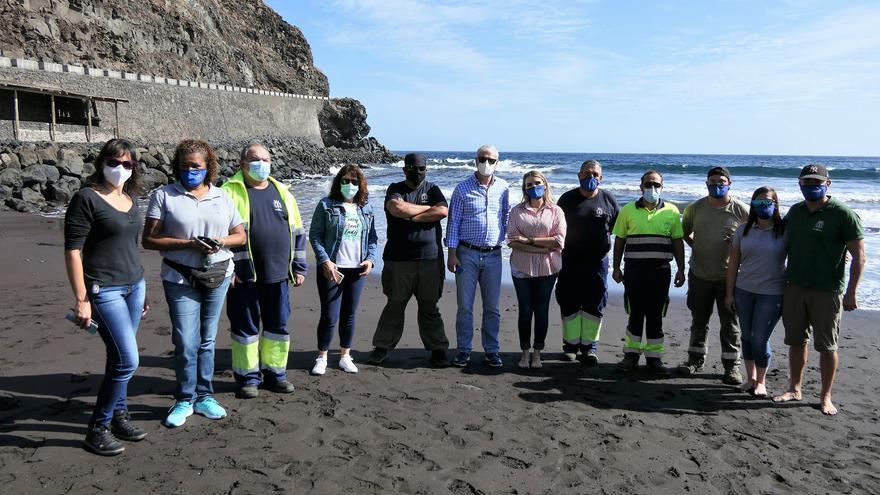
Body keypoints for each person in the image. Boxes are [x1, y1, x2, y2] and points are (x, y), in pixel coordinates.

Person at [142, 139, 246, 428]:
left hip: (219, 274)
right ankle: (184, 398)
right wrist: (188, 244)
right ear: (177, 166)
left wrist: (220, 241)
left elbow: (240, 235)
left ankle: (204, 395)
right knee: (186, 340)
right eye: (185, 166)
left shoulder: (223, 197)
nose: (191, 170)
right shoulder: (164, 195)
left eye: (196, 166)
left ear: (208, 167)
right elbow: (149, 240)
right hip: (179, 276)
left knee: (208, 339)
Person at [64, 139, 147, 455]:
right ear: (102, 162)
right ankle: (97, 428)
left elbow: (130, 248)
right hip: (103, 290)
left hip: (134, 286)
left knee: (118, 359)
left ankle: (119, 416)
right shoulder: (86, 199)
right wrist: (82, 298)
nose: (121, 168)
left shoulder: (130, 199)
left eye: (128, 164)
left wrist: (143, 290)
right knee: (128, 359)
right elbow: (73, 250)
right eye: (115, 161)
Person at [773, 164, 865, 415]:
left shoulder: (843, 214)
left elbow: (859, 256)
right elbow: (775, 236)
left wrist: (852, 292)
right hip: (794, 286)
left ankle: (826, 396)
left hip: (827, 290)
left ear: (828, 184)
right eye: (806, 182)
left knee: (827, 346)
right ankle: (794, 388)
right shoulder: (796, 211)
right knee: (796, 341)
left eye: (816, 182)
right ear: (799, 184)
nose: (811, 187)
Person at [221, 143, 307, 399]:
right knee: (245, 328)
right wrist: (228, 268)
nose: (262, 164)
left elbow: (297, 233)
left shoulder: (282, 191)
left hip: (279, 274)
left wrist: (299, 267)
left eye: (266, 159)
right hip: (243, 275)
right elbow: (219, 236)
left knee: (277, 327)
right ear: (242, 163)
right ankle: (248, 378)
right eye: (255, 159)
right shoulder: (228, 192)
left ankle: (275, 374)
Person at [366, 153, 450, 367]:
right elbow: (397, 208)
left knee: (430, 307)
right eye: (412, 167)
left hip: (430, 260)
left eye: (421, 168)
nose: (417, 171)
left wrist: (411, 216)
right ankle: (382, 347)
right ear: (404, 169)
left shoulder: (432, 189)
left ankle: (438, 349)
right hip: (398, 260)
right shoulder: (395, 188)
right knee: (395, 305)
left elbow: (442, 211)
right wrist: (425, 210)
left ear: (426, 169)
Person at [677, 167, 749, 384]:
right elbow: (684, 233)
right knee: (699, 321)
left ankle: (731, 367)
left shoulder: (742, 210)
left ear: (730, 183)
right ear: (706, 183)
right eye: (712, 181)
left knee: (731, 325)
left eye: (721, 181)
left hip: (729, 279)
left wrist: (738, 248)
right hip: (699, 274)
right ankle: (695, 361)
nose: (717, 185)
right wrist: (696, 246)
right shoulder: (695, 208)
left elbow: (754, 238)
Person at [611, 169, 685, 374]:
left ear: (662, 187)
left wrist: (681, 269)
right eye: (648, 184)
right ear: (641, 186)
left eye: (656, 185)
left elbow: (677, 241)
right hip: (634, 271)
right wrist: (616, 267)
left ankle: (654, 359)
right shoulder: (627, 210)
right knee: (635, 314)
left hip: (660, 272)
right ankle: (631, 357)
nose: (652, 188)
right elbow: (620, 240)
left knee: (655, 315)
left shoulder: (671, 211)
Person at [309, 164, 378, 375]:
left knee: (349, 314)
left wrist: (371, 259)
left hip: (357, 270)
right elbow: (315, 235)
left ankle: (345, 356)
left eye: (354, 182)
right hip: (333, 268)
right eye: (346, 181)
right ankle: (322, 357)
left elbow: (372, 238)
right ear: (339, 183)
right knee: (330, 315)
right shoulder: (326, 205)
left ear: (360, 185)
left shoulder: (366, 208)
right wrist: (325, 261)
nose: (350, 185)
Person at [445, 144, 510, 367]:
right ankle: (464, 349)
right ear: (475, 160)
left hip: (493, 256)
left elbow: (505, 217)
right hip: (466, 254)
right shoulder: (462, 189)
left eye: (491, 160)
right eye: (483, 159)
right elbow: (453, 223)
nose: (487, 163)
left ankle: (492, 350)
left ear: (497, 163)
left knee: (492, 307)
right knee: (465, 306)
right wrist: (451, 254)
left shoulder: (503, 187)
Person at [555, 160, 619, 365]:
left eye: (595, 174)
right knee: (569, 302)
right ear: (579, 175)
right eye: (587, 173)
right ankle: (571, 346)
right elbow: (555, 226)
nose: (591, 178)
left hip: (597, 263)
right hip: (569, 261)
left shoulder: (608, 199)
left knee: (595, 303)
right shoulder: (566, 199)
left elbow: (618, 228)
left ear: (601, 178)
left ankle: (589, 348)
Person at [724, 187, 786, 397]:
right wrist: (729, 293)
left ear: (775, 204)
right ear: (752, 205)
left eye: (767, 202)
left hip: (772, 292)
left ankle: (761, 381)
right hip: (744, 290)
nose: (763, 206)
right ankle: (750, 379)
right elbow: (733, 263)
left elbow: (805, 253)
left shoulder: (785, 229)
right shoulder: (744, 229)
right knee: (747, 338)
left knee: (760, 338)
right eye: (758, 203)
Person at [507, 170, 566, 369]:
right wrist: (543, 246)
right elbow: (513, 241)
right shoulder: (517, 211)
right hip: (521, 268)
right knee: (525, 310)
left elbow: (559, 241)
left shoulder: (556, 211)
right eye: (529, 185)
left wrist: (529, 240)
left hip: (548, 269)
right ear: (524, 188)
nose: (534, 187)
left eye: (537, 183)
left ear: (545, 184)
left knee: (541, 310)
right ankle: (524, 352)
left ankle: (537, 352)